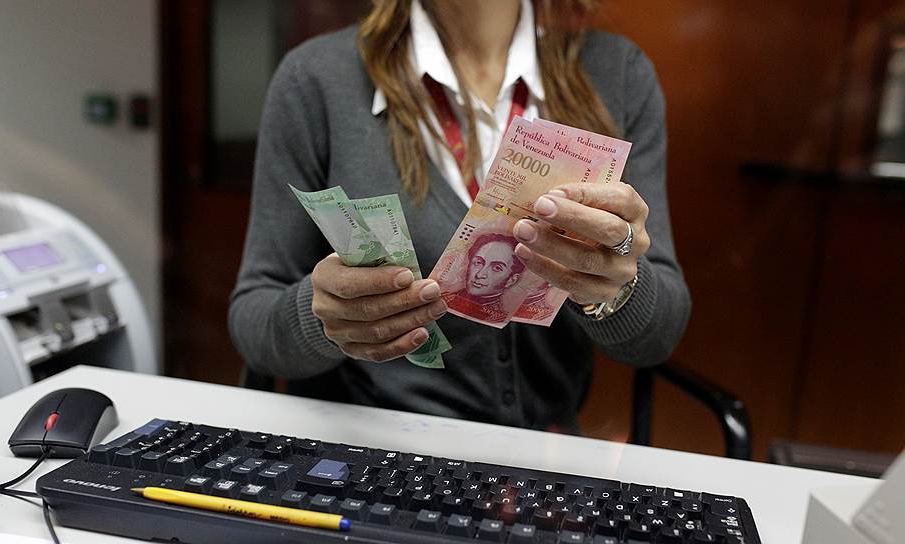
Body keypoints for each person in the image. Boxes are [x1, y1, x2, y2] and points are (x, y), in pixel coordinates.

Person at [230, 0, 691, 431]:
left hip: (539, 463)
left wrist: (616, 285)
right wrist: (325, 318)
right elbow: (254, 321)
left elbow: (658, 335)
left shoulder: (618, 73)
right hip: (372, 451)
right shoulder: (316, 79)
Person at [442, 232, 525, 325]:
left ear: (511, 280)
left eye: (497, 268)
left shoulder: (499, 320)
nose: (480, 274)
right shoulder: (443, 298)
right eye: (478, 262)